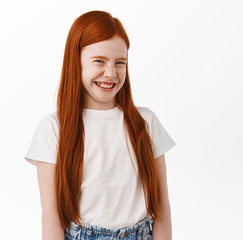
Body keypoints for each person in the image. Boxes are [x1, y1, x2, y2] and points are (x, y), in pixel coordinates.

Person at [24, 10, 176, 240]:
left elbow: (162, 205)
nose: (111, 73)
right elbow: (51, 214)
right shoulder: (53, 129)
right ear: (76, 62)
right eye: (99, 61)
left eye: (120, 63)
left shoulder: (145, 122)